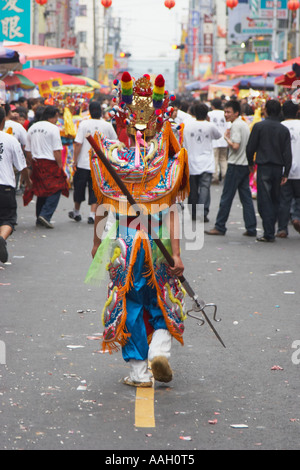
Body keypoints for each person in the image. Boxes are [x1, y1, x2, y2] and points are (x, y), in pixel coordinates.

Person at [85, 72, 190, 387]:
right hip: (156, 242)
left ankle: (139, 372)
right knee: (163, 300)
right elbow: (171, 213)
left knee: (129, 304)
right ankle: (159, 349)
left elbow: (102, 210)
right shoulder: (165, 164)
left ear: (125, 126)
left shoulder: (113, 160)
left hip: (124, 244)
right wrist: (177, 253)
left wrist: (95, 244)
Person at [205, 100, 257, 237]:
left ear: (236, 113)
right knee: (246, 198)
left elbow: (235, 146)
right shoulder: (244, 124)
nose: (226, 114)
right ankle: (251, 227)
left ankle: (220, 226)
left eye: (228, 112)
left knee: (226, 197)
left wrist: (226, 138)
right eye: (225, 111)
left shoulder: (236, 126)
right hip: (244, 165)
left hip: (235, 166)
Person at [246, 99, 292, 242]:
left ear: (265, 110)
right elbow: (287, 153)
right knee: (275, 199)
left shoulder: (259, 127)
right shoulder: (283, 129)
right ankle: (271, 229)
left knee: (264, 200)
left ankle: (269, 232)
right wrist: (286, 172)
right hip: (278, 168)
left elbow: (250, 147)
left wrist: (250, 163)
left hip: (264, 166)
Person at [69, 101, 117, 224]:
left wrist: (75, 160)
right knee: (95, 188)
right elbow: (114, 143)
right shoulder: (107, 125)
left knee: (79, 187)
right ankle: (92, 214)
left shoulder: (84, 124)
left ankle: (76, 211)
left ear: (89, 111)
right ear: (101, 111)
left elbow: (78, 143)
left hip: (83, 163)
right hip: (100, 164)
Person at [23, 105, 69, 229]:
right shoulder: (53, 128)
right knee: (58, 187)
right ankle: (46, 214)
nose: (57, 120)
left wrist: (31, 163)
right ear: (53, 116)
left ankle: (40, 216)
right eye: (57, 117)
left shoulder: (33, 127)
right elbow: (57, 151)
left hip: (36, 161)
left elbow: (27, 150)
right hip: (50, 162)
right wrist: (60, 166)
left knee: (41, 190)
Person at [0, 106, 31, 263]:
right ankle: (1, 238)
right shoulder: (10, 140)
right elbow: (22, 166)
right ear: (4, 121)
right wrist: (27, 181)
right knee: (8, 219)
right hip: (5, 186)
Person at [184, 102, 222, 222]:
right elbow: (218, 136)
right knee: (205, 188)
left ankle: (194, 212)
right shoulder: (210, 126)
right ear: (207, 114)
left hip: (191, 161)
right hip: (206, 161)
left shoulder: (186, 125)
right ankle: (203, 213)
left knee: (193, 189)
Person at [276, 100, 300, 238]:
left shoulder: (280, 126)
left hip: (284, 169)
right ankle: (297, 217)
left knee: (284, 200)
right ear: (297, 111)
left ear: (283, 112)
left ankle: (282, 228)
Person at [208, 98, 228, 184]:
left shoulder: (209, 114)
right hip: (224, 139)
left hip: (214, 141)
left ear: (212, 106)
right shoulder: (225, 113)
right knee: (223, 159)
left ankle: (215, 177)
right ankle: (225, 175)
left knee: (215, 159)